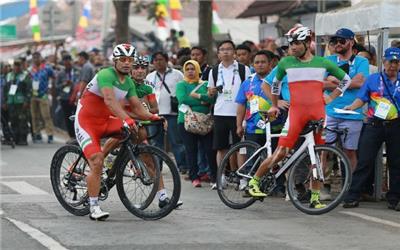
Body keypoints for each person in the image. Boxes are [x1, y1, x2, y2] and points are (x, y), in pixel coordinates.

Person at [247, 26, 352, 209]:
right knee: (282, 152)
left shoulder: (322, 62)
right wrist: (274, 104)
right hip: (296, 113)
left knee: (317, 157)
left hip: (319, 113)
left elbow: (346, 80)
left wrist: (330, 97)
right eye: (291, 44)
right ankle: (254, 181)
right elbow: (274, 85)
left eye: (296, 43)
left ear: (306, 43)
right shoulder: (286, 62)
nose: (292, 47)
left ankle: (315, 197)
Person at [74, 44, 161, 220]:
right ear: (115, 61)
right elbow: (109, 101)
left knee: (137, 133)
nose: (127, 63)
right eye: (123, 60)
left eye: (130, 60)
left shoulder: (128, 82)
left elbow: (137, 108)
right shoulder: (106, 74)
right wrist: (127, 119)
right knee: (97, 160)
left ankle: (116, 167)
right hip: (87, 122)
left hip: (105, 121)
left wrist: (154, 118)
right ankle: (94, 206)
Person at [343, 47, 400, 211]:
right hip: (374, 124)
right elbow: (361, 98)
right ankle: (353, 195)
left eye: (396, 62)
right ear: (383, 61)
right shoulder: (373, 79)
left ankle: (394, 198)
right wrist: (351, 107)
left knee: (396, 163)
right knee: (365, 161)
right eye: (390, 62)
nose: (393, 66)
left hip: (396, 125)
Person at [208, 40, 251, 189]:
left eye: (228, 49)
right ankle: (221, 177)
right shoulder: (214, 70)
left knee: (240, 147)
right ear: (218, 53)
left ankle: (242, 178)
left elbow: (249, 91)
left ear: (234, 52)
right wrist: (212, 91)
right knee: (221, 147)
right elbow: (210, 92)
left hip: (238, 113)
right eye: (222, 49)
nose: (225, 52)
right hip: (220, 112)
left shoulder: (243, 69)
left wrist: (247, 114)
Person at [324, 28, 369, 171]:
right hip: (329, 112)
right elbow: (321, 83)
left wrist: (334, 80)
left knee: (349, 151)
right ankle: (318, 187)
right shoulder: (328, 60)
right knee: (323, 151)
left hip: (352, 114)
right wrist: (348, 82)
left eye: (341, 41)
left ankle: (351, 187)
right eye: (335, 41)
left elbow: (360, 83)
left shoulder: (361, 61)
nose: (337, 44)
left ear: (351, 42)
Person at [145, 51, 188, 173]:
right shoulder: (150, 77)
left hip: (172, 113)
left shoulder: (177, 74)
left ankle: (182, 166)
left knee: (176, 141)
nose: (158, 62)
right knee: (155, 142)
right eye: (156, 60)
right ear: (152, 62)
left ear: (166, 60)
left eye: (161, 59)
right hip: (155, 114)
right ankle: (157, 166)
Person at [176, 60, 216, 187]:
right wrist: (203, 100)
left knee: (209, 150)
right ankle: (194, 177)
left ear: (198, 70)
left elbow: (212, 98)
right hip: (186, 121)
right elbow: (182, 99)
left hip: (205, 122)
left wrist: (197, 96)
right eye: (187, 69)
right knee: (191, 150)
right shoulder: (181, 84)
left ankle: (214, 177)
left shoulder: (205, 84)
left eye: (193, 69)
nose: (190, 71)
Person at [29, 51, 56, 143]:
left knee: (46, 115)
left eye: (37, 57)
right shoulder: (30, 69)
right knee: (34, 116)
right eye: (34, 57)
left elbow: (54, 77)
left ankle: (50, 135)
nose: (36, 59)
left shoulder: (47, 68)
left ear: (40, 58)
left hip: (43, 95)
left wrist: (51, 89)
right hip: (33, 95)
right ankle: (37, 134)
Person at [3, 60, 32, 145]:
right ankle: (15, 138)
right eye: (15, 65)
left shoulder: (25, 75)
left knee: (23, 120)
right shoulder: (9, 75)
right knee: (13, 120)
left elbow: (28, 90)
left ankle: (23, 139)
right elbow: (5, 90)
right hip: (11, 101)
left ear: (21, 66)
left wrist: (27, 101)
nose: (16, 67)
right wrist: (5, 101)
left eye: (18, 65)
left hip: (21, 102)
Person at [55, 54, 80, 139]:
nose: (67, 64)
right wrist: (64, 84)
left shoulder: (77, 71)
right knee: (67, 118)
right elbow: (56, 86)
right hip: (65, 98)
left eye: (69, 62)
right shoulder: (60, 73)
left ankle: (78, 136)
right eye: (65, 62)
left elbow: (81, 83)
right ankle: (71, 136)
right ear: (63, 63)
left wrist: (73, 84)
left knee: (78, 117)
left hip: (76, 97)